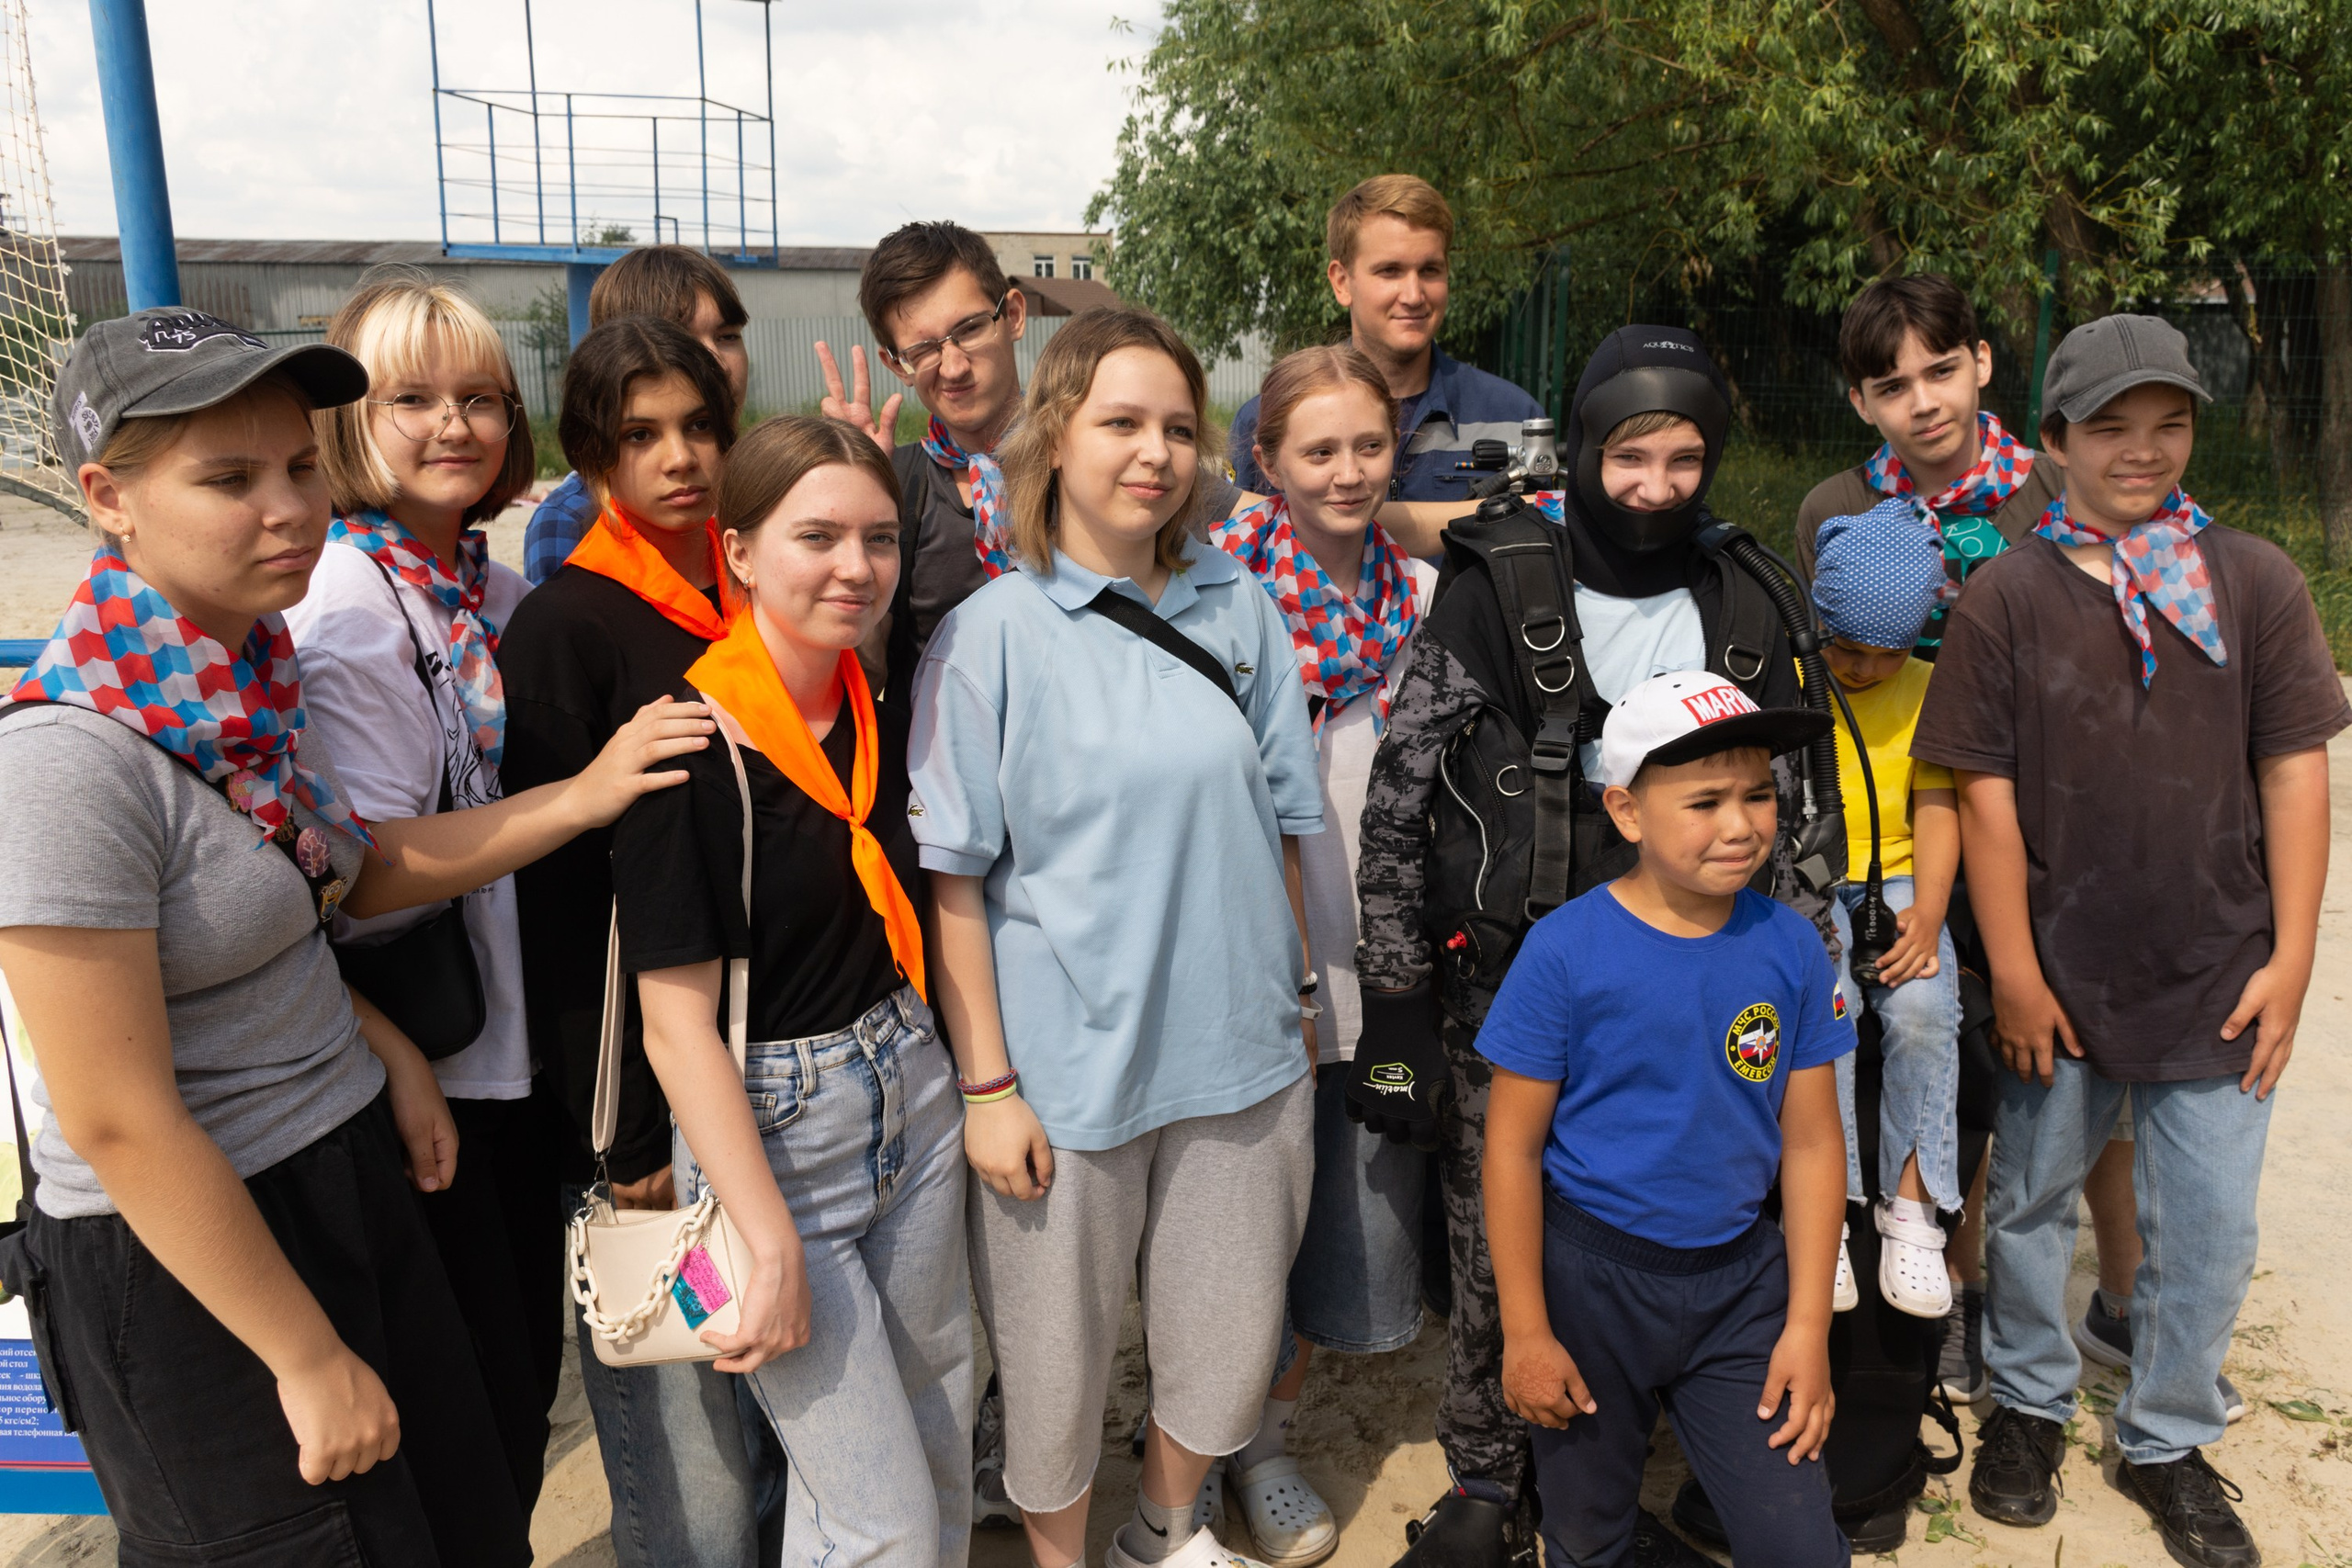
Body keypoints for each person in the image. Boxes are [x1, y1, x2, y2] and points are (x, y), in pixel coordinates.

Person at [0, 309, 708, 1565]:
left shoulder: (243, 678)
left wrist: (379, 1038)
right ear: (107, 496)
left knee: (473, 1513)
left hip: (349, 1166)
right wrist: (303, 1350)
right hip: (204, 1254)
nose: (288, 508)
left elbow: (344, 873)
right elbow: (115, 1116)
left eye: (297, 467)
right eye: (228, 478)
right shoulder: (69, 758)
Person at [1351, 326, 1825, 1568]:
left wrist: (1812, 970)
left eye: (1686, 457)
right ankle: (1484, 1470)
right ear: (1586, 446)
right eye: (1631, 454)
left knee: (1696, 1212)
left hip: (1712, 980)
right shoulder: (1498, 580)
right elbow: (1401, 791)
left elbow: (1804, 802)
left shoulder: (1747, 590)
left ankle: (1669, 1447)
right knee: (1492, 1226)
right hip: (1512, 975)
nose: (1659, 485)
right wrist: (1396, 994)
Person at [1915, 314, 2344, 1564]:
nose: (2144, 450)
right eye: (2111, 427)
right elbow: (1981, 791)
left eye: (2170, 423)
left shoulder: (2254, 578)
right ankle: (2032, 1408)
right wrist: (2021, 971)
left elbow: (2295, 771)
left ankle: (2165, 1432)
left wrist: (2294, 957)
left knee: (2207, 1223)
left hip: (2221, 971)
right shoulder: (2008, 594)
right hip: (2061, 977)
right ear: (2053, 442)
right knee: (2037, 1200)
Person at [910, 307, 1322, 1568]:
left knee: (1228, 1330)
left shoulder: (1239, 606)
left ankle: (1162, 1528)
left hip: (1238, 1055)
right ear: (1055, 435)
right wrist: (987, 1083)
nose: (1156, 453)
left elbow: (1289, 824)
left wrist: (1292, 997)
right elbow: (958, 882)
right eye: (1123, 422)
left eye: (1180, 429)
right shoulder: (991, 635)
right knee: (1053, 1365)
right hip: (1065, 1075)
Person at [616, 414, 971, 1563]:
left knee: (938, 1449)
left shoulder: (869, 697)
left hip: (913, 1094)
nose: (854, 567)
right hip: (776, 1138)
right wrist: (763, 1242)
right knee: (884, 1520)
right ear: (738, 554)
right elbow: (674, 1027)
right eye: (815, 535)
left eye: (876, 537)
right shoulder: (686, 744)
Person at [286, 268, 564, 1514]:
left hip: (504, 1047)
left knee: (520, 1379)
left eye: (482, 397)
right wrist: (583, 795)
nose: (456, 424)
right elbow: (369, 879)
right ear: (351, 420)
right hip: (427, 1068)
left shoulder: (482, 590)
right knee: (472, 1414)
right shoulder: (352, 603)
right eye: (414, 397)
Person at [501, 314, 771, 1566]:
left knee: (762, 1407)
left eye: (699, 427)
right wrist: (623, 1139)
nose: (680, 457)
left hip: (762, 1074)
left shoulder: (756, 586)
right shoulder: (568, 625)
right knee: (693, 1470)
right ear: (592, 455)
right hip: (646, 1109)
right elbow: (560, 914)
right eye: (640, 434)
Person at [1483, 671, 1851, 1567]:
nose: (1741, 824)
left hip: (1739, 1291)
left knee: (1803, 1550)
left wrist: (1807, 1326)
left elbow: (1809, 1143)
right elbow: (1509, 1148)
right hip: (1590, 1288)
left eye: (1759, 793)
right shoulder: (1565, 951)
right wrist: (1527, 1331)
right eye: (1705, 800)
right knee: (1586, 1534)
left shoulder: (1791, 944)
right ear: (1626, 812)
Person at [1205, 344, 1437, 1565]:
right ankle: (1190, 1449)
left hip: (1386, 982)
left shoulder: (1428, 597)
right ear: (1267, 462)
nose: (1348, 471)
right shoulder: (1220, 604)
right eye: (1319, 449)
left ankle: (1267, 1441)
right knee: (1235, 1222)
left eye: (1369, 445)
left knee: (1339, 1212)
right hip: (1261, 978)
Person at [822, 220, 1245, 700]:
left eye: (970, 328)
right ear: (896, 364)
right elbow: (866, 675)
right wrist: (853, 505)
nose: (954, 366)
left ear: (1015, 315)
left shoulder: (1107, 460)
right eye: (923, 350)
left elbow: (1262, 518)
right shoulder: (896, 487)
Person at [1806, 502, 1962, 1318]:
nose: (1865, 671)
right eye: (1848, 650)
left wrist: (1930, 914)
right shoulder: (1793, 680)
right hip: (1810, 876)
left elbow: (1938, 803)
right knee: (1823, 1010)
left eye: (1888, 654)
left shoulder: (1931, 691)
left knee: (1929, 1007)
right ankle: (1825, 1208)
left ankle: (1912, 1206)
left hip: (1899, 880)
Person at [1227, 175, 1544, 556]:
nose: (1413, 295)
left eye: (1430, 270)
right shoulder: (1265, 420)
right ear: (1342, 282)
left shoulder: (1514, 417)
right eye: (1390, 271)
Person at [1794, 273, 2061, 649]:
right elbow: (1829, 665)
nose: (1924, 405)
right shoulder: (1834, 511)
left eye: (1941, 372)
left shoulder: (2062, 491)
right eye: (1893, 388)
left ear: (1981, 363)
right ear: (1861, 404)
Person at [526, 246, 752, 585]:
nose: (716, 362)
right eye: (684, 340)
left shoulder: (765, 487)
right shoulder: (570, 522)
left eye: (727, 337)